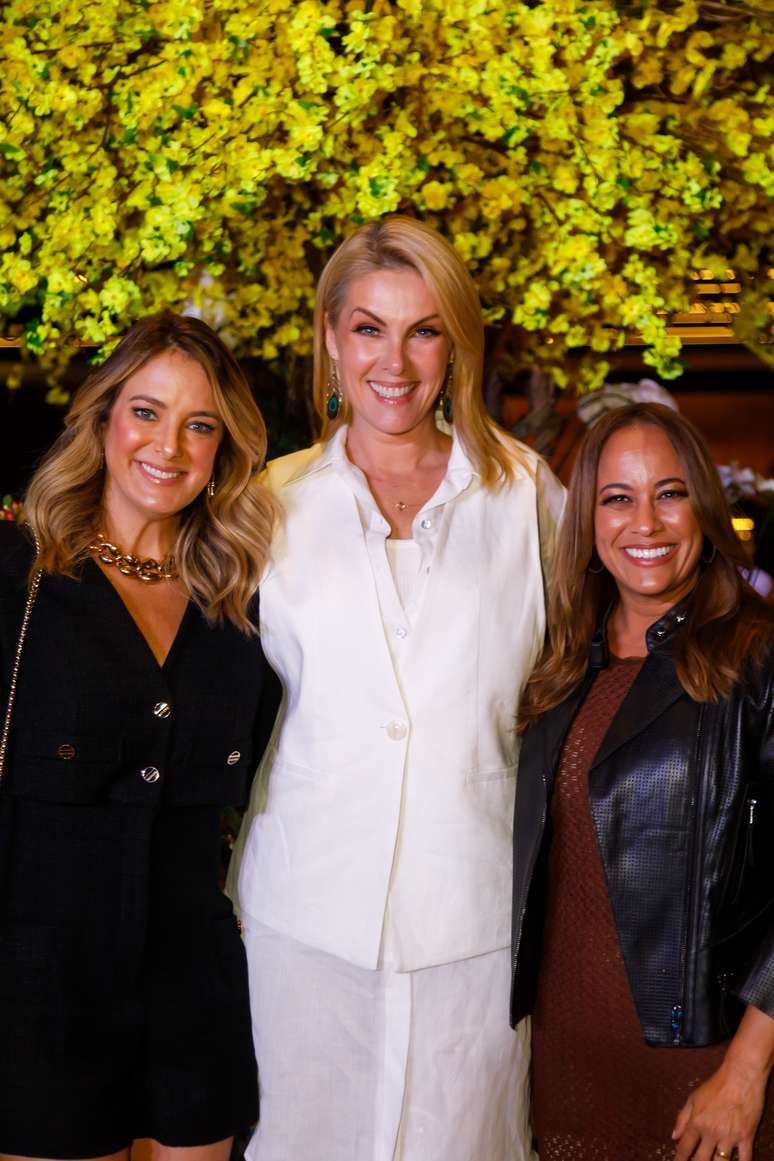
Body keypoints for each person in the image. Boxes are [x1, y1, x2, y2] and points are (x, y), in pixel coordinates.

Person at [228, 215, 564, 1161]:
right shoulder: (265, 501)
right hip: (303, 916)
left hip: (476, 917)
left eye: (424, 329)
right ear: (331, 337)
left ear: (456, 341)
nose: (396, 360)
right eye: (369, 326)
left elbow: (585, 670)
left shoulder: (528, 494)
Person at [0, 312, 279, 1159]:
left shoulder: (245, 604)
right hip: (38, 1001)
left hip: (195, 998)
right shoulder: (19, 575)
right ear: (104, 419)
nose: (171, 445)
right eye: (147, 412)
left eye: (201, 425)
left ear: (225, 448)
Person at [511, 402, 774, 1161]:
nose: (646, 523)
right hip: (563, 1058)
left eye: (670, 492)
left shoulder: (755, 656)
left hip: (703, 1066)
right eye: (618, 498)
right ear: (589, 520)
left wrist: (747, 1073)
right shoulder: (561, 664)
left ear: (703, 504)